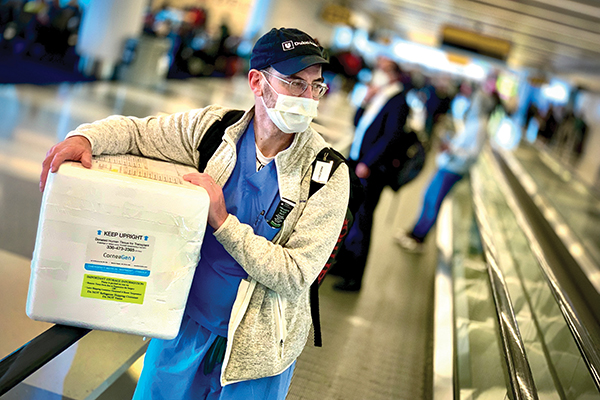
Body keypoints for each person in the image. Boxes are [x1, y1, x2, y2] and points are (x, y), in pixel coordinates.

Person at [39, 27, 350, 400]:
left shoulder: (327, 173)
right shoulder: (214, 131)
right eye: (294, 83)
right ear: (257, 81)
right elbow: (138, 134)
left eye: (316, 86)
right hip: (183, 329)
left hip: (258, 359)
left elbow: (296, 274)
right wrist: (83, 139)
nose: (308, 98)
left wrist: (222, 222)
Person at [331, 56, 410, 292]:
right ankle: (341, 264)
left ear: (394, 74)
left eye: (384, 69)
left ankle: (355, 276)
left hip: (371, 169)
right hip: (357, 161)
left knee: (363, 222)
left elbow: (391, 137)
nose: (378, 72)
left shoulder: (399, 101)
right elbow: (358, 123)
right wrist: (365, 101)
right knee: (349, 215)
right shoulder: (379, 95)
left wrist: (369, 162)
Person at [394, 84, 501, 253]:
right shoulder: (474, 120)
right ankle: (415, 231)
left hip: (454, 169)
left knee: (433, 201)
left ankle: (419, 237)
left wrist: (451, 149)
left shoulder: (480, 125)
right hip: (449, 165)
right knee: (428, 197)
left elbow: (472, 153)